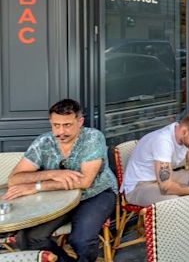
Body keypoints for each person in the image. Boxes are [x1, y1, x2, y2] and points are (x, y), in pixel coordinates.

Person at [2, 99, 117, 262]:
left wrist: (37, 186)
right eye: (56, 125)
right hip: (57, 198)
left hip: (95, 194)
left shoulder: (92, 138)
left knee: (81, 240)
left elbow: (85, 182)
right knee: (30, 238)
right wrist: (52, 174)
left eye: (67, 125)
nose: (60, 131)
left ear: (80, 121)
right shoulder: (43, 142)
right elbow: (14, 179)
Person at [121, 111, 189, 240]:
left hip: (162, 178)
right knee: (175, 200)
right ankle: (182, 243)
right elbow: (166, 187)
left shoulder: (187, 137)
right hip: (139, 186)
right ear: (184, 131)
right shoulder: (163, 141)